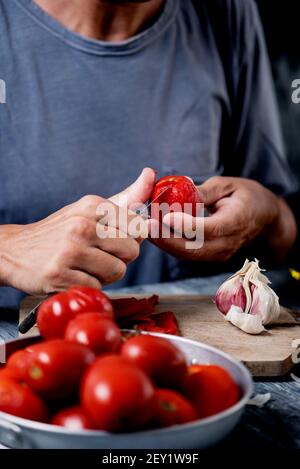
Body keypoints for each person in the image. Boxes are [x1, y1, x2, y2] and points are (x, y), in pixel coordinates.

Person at [0, 0, 297, 308]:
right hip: (24, 345)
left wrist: (270, 218)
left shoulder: (226, 10)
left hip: (188, 341)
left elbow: (284, 236)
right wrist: (8, 249)